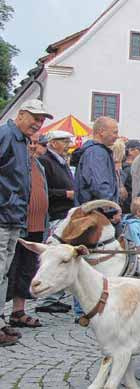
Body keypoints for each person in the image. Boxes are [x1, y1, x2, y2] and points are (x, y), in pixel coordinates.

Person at [0, 99, 51, 345]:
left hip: (13, 218)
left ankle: (1, 320)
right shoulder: (7, 135)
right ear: (21, 115)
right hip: (3, 216)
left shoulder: (20, 140)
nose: (38, 124)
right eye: (35, 118)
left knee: (4, 273)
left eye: (41, 120)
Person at [6, 139, 50, 330]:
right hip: (16, 224)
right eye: (29, 142)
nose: (33, 146)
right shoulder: (15, 163)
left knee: (27, 269)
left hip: (36, 226)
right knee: (9, 270)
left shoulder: (38, 164)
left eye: (36, 142)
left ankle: (18, 311)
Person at [34, 129, 75, 314]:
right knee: (54, 255)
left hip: (63, 213)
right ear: (53, 143)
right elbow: (45, 190)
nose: (67, 144)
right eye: (64, 141)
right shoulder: (46, 162)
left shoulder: (60, 162)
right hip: (55, 213)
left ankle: (55, 296)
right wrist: (65, 193)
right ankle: (48, 297)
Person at [73, 117, 122, 223]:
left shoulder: (96, 151)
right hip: (97, 216)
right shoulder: (96, 153)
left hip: (95, 214)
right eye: (114, 132)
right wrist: (111, 210)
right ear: (101, 132)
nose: (117, 136)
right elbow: (99, 186)